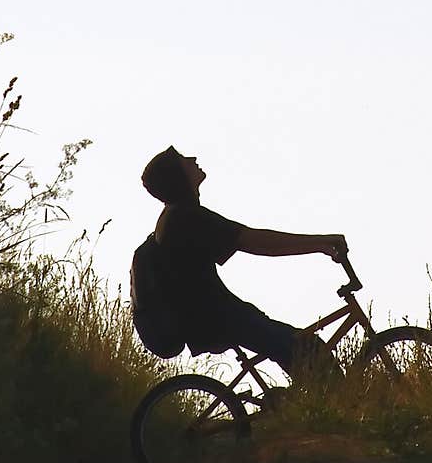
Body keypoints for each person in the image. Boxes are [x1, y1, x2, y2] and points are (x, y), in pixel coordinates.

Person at [138, 145, 346, 382]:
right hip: (216, 316)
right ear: (178, 176)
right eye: (184, 160)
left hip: (214, 315)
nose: (193, 158)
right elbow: (257, 242)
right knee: (308, 350)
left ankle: (308, 406)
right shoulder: (186, 218)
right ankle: (333, 410)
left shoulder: (175, 217)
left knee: (297, 348)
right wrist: (321, 243)